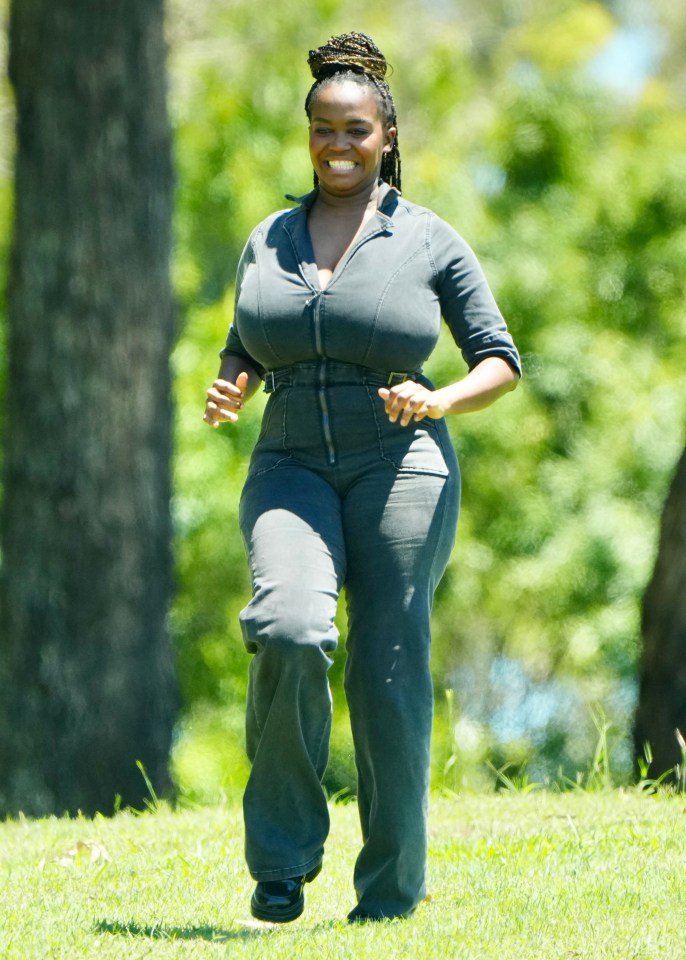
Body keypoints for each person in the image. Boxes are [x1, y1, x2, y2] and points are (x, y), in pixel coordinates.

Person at [204, 31, 521, 924]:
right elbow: (249, 339)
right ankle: (281, 858)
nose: (337, 146)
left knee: (388, 671)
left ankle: (388, 896)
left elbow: (500, 359)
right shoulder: (269, 237)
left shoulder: (428, 240)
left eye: (354, 130)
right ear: (307, 134)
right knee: (290, 624)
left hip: (401, 465)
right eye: (321, 130)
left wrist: (443, 398)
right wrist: (235, 382)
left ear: (386, 135)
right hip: (291, 461)